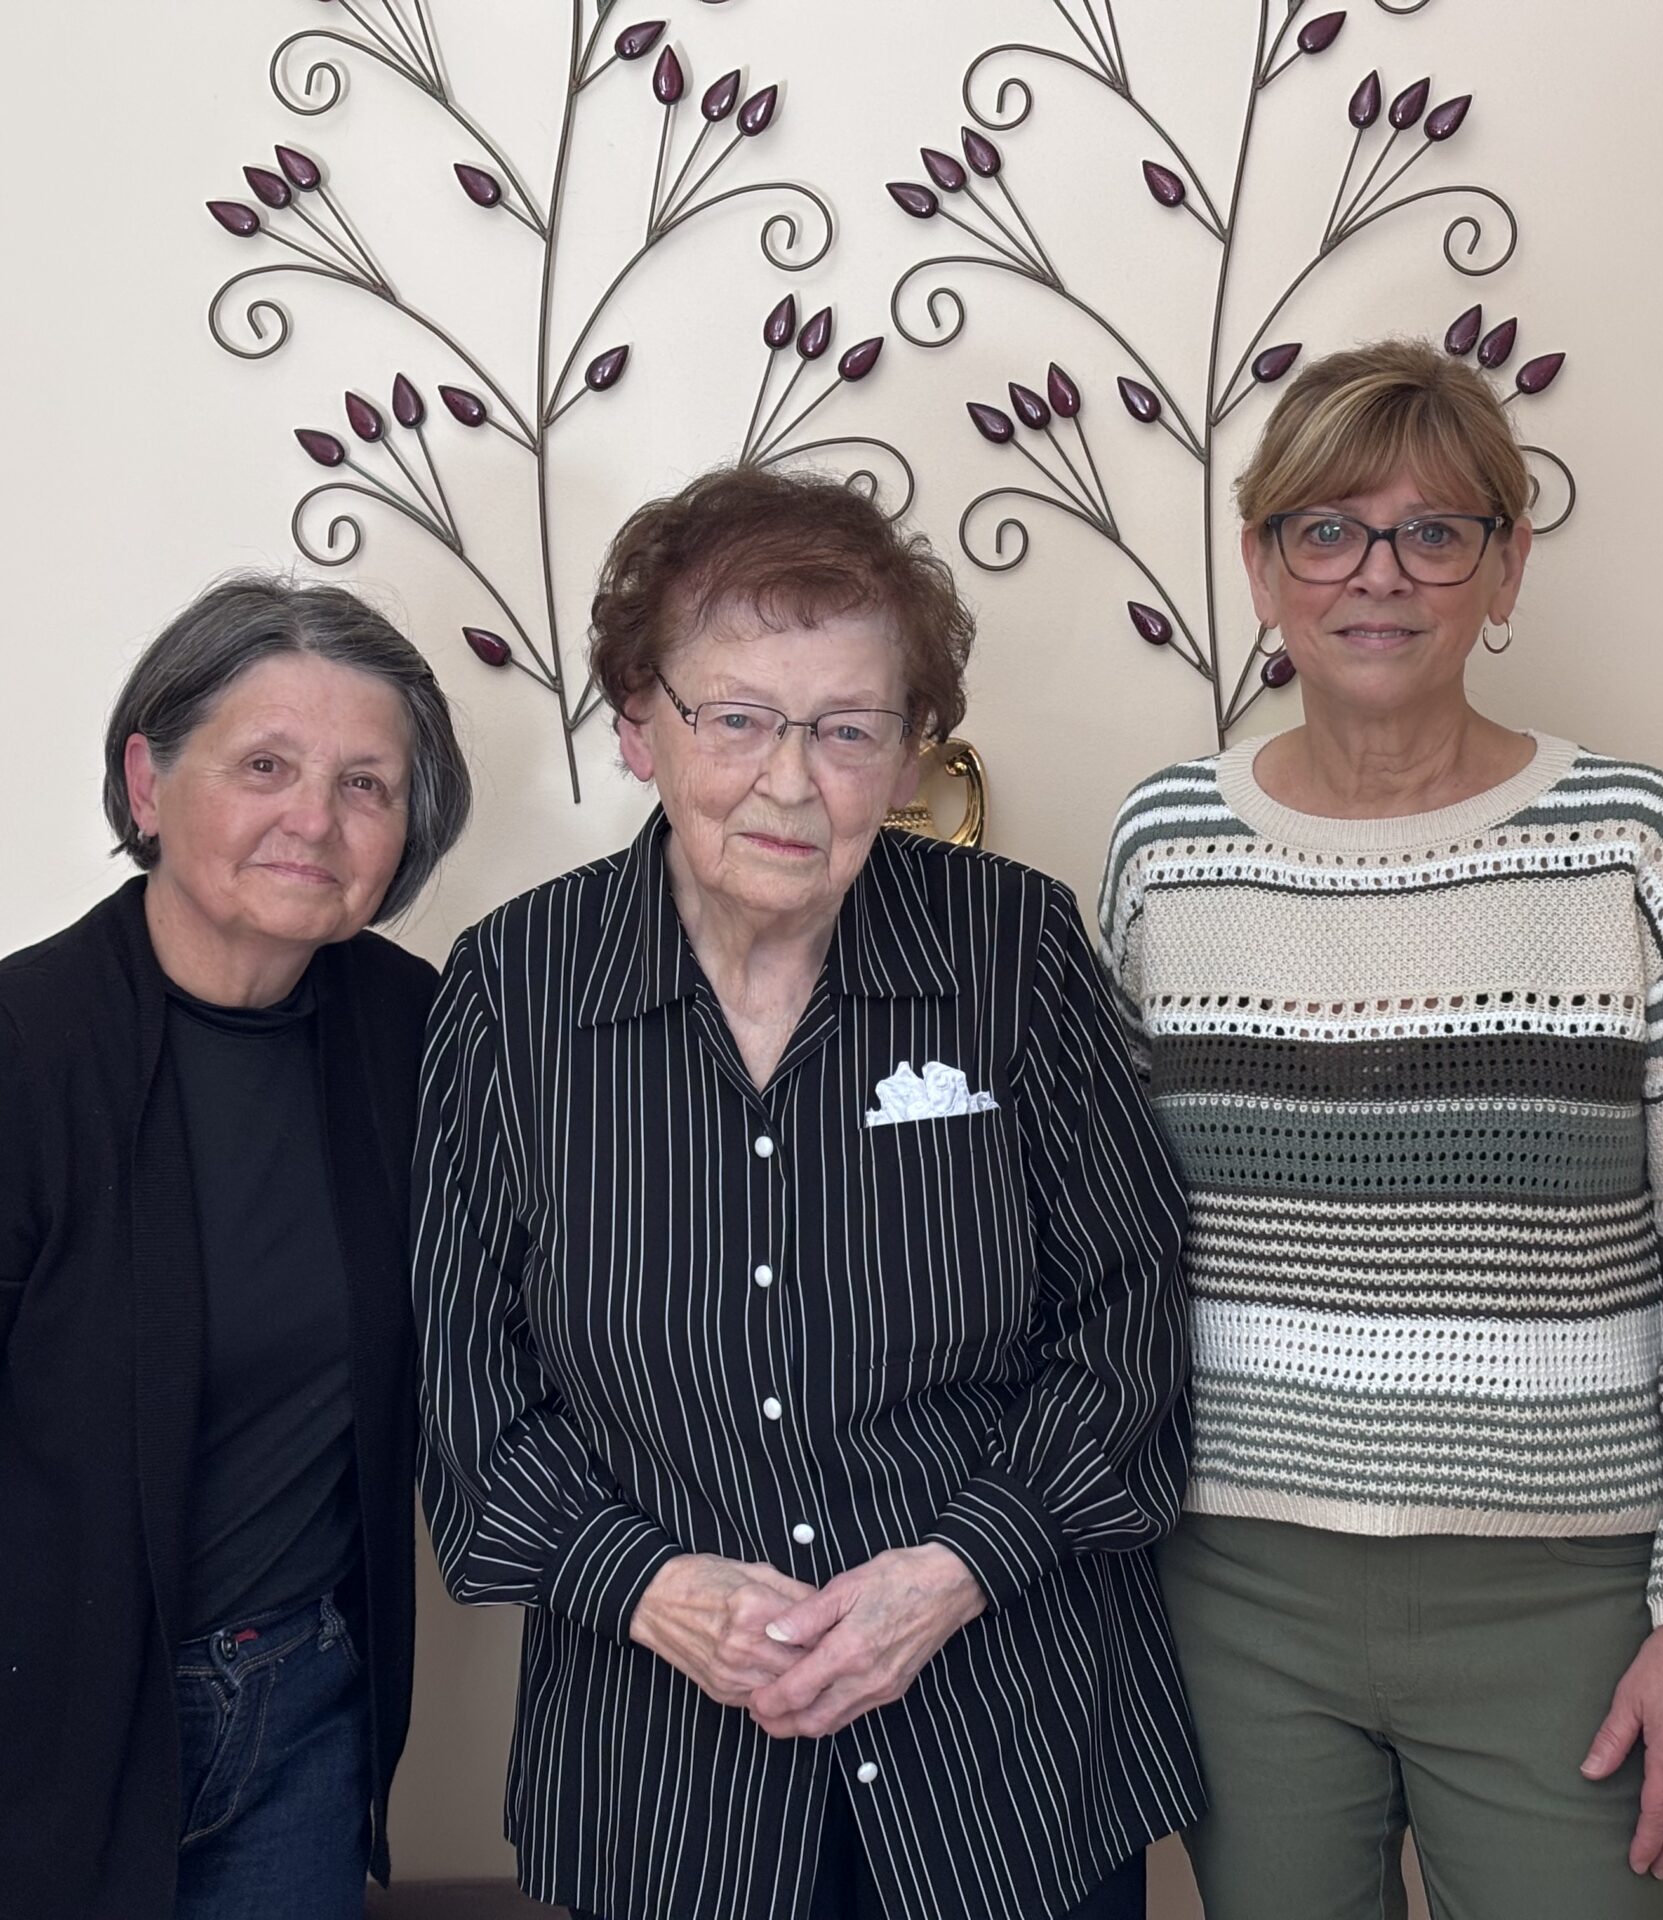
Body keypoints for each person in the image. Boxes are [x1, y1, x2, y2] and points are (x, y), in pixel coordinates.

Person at [412, 465, 1203, 1920]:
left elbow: (1133, 1317)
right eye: (738, 719)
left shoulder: (1011, 951)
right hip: (665, 1786)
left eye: (848, 730)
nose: (790, 780)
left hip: (1009, 1748)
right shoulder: (512, 992)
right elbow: (468, 1386)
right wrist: (648, 1587)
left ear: (911, 756)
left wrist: (960, 1565)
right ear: (640, 726)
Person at [1098, 339, 1663, 1920]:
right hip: (1236, 1595)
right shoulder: (1166, 850)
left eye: (1436, 531)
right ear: (1262, 565)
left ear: (1506, 566)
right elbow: (1107, 1241)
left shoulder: (1638, 842)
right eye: (1328, 530)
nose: (1380, 575)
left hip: (1562, 1608)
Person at [0, 577, 472, 1920]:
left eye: (367, 785)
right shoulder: (25, 1051)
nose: (314, 821)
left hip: (304, 1717)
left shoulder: (419, 1033)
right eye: (266, 764)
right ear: (147, 783)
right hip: (46, 1728)